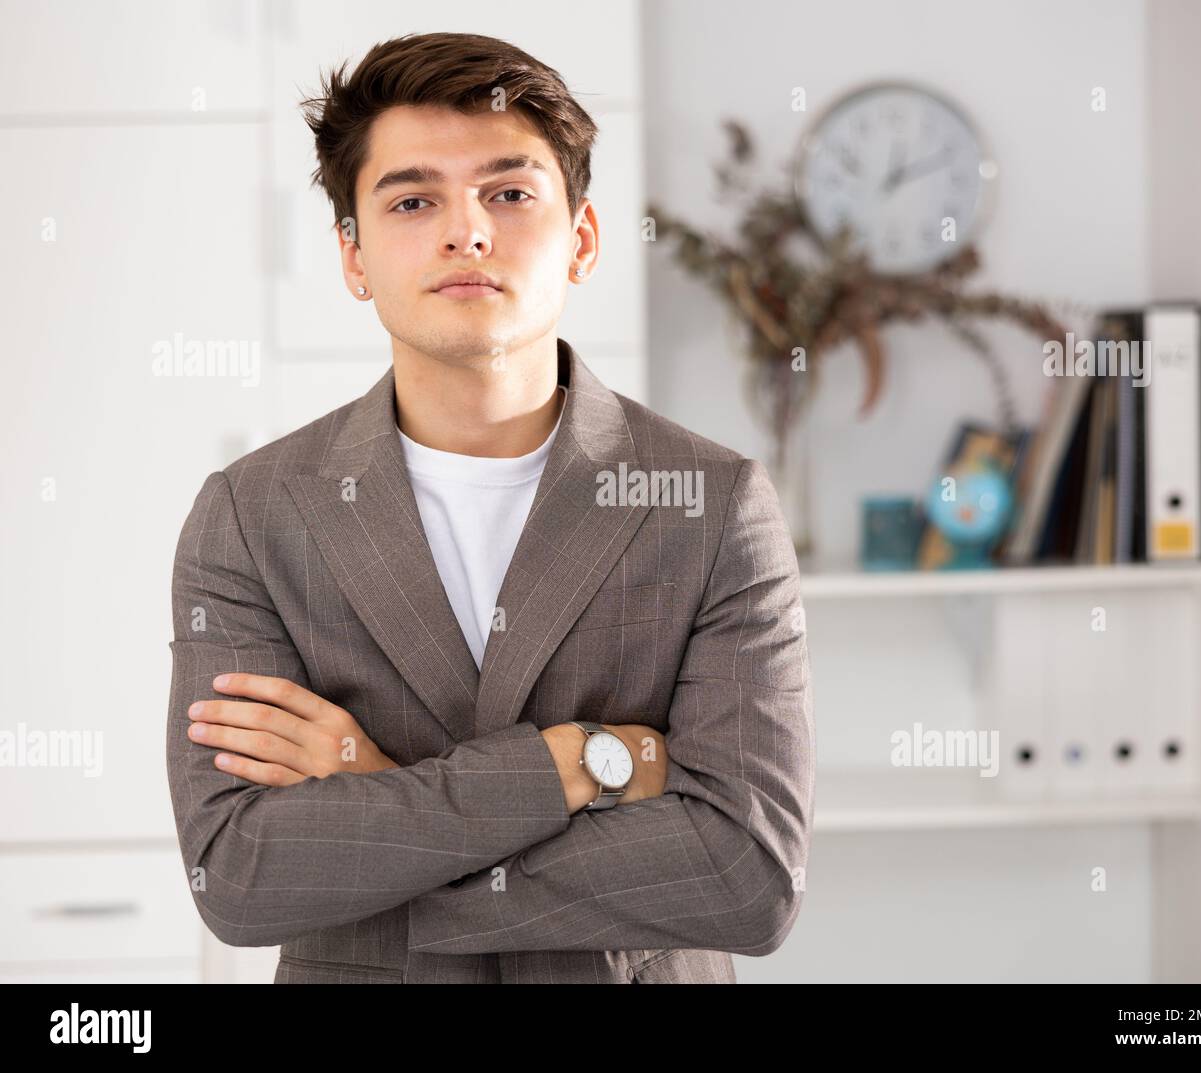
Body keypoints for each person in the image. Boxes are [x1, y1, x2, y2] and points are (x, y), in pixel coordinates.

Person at [165, 31, 814, 985]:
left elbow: (747, 876)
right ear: (353, 255)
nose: (466, 232)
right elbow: (239, 873)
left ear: (582, 238)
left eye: (509, 194)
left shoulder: (714, 506)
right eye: (413, 199)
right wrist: (580, 764)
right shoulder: (253, 516)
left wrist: (375, 788)